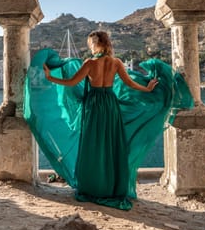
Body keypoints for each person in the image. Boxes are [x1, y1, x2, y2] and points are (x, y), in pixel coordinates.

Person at [23, 30, 193, 211]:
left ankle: (93, 186)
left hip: (94, 105)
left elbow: (72, 82)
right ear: (107, 43)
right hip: (110, 105)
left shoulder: (90, 63)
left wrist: (50, 77)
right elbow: (130, 83)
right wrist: (147, 89)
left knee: (93, 145)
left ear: (94, 44)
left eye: (90, 43)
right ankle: (111, 187)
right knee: (111, 145)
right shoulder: (116, 62)